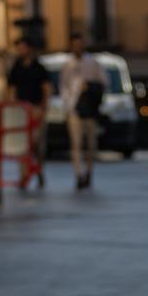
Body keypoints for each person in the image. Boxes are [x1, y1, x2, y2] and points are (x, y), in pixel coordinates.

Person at [61, 32, 106, 190]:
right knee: (76, 144)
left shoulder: (92, 62)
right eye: (75, 45)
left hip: (90, 109)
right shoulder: (68, 64)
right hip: (74, 109)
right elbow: (64, 87)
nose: (77, 48)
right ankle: (78, 174)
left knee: (91, 144)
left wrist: (90, 87)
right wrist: (67, 106)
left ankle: (89, 172)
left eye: (79, 44)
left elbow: (103, 82)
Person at [8, 36, 52, 189]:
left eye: (22, 47)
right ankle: (24, 175)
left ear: (29, 49)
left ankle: (38, 170)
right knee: (22, 146)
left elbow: (46, 89)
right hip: (21, 112)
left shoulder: (39, 68)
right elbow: (12, 90)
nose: (20, 50)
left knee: (38, 145)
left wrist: (43, 109)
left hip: (36, 109)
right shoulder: (15, 67)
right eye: (18, 48)